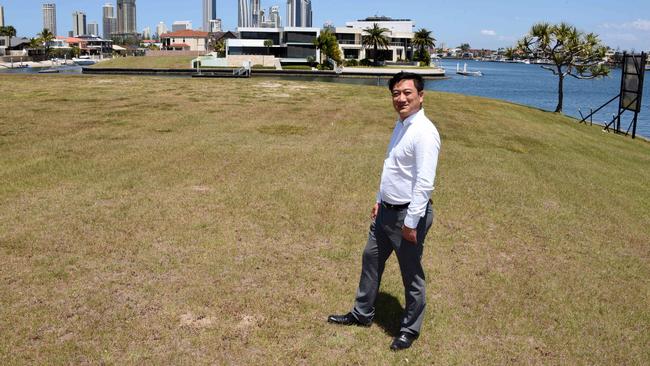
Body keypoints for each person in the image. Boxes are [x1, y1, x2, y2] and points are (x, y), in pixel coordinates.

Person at [327, 72, 441, 351]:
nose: (400, 98)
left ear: (421, 96)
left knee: (411, 274)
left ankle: (409, 330)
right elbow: (391, 165)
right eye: (395, 93)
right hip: (386, 212)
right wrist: (380, 198)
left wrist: (411, 223)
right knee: (371, 259)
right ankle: (362, 313)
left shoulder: (425, 132)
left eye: (407, 93)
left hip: (407, 217)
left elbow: (424, 184)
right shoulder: (401, 125)